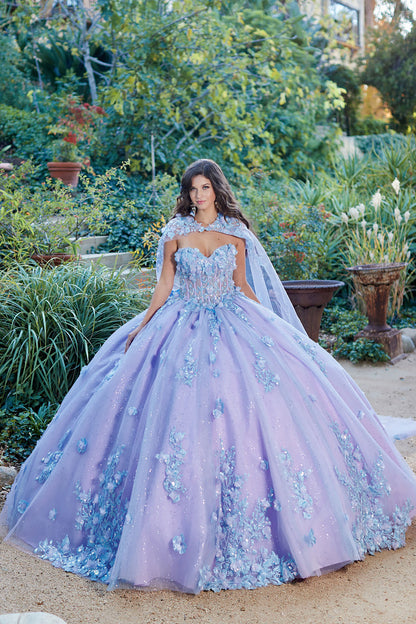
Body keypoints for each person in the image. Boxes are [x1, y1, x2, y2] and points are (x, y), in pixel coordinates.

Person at [1, 159, 416, 594]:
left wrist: (276, 328)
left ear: (217, 190)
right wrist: (143, 324)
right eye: (192, 188)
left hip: (233, 322)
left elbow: (242, 287)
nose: (198, 195)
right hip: (178, 324)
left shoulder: (236, 235)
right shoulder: (174, 232)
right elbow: (164, 285)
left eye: (205, 187)